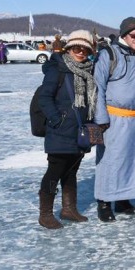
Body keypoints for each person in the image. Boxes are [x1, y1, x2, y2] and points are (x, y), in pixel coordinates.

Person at [93, 17, 135, 222]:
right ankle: (104, 201)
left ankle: (123, 200)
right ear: (124, 35)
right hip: (114, 118)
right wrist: (101, 118)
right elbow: (98, 87)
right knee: (111, 160)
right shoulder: (108, 54)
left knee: (132, 161)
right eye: (134, 35)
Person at [37, 30, 97, 229]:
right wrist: (57, 120)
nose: (80, 52)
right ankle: (45, 214)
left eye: (85, 49)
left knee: (71, 171)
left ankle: (69, 209)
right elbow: (44, 98)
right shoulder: (58, 69)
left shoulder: (88, 70)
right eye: (76, 48)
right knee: (54, 172)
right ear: (69, 48)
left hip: (79, 131)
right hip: (61, 130)